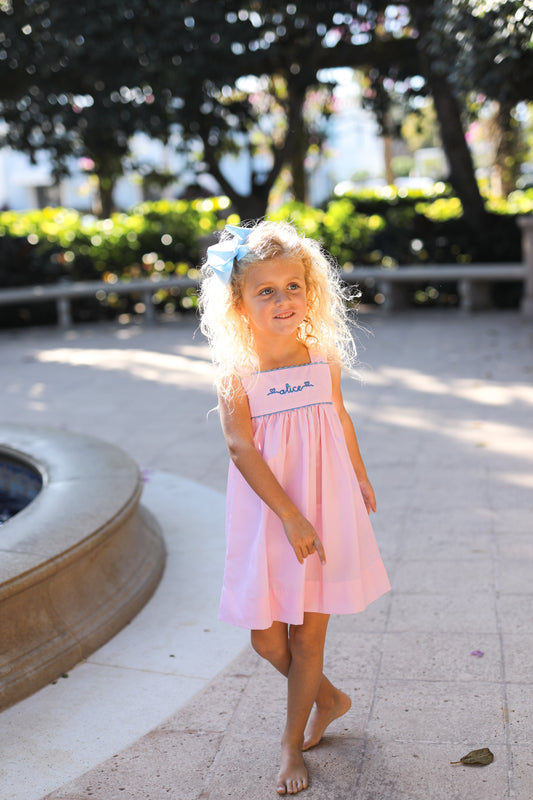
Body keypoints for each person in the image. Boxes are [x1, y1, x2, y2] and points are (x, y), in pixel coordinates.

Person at [199, 220, 390, 795]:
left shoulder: (319, 354)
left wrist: (357, 473)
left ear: (311, 290)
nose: (283, 300)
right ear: (238, 302)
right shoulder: (238, 371)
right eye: (266, 290)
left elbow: (338, 417)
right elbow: (239, 447)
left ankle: (291, 742)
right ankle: (328, 697)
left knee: (307, 636)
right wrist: (288, 515)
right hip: (271, 512)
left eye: (293, 287)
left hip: (324, 506)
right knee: (266, 638)